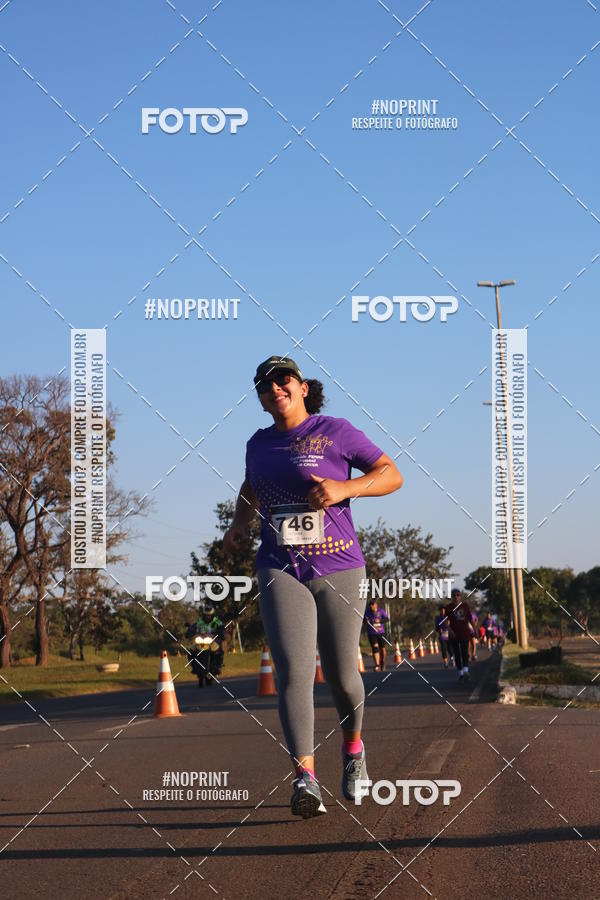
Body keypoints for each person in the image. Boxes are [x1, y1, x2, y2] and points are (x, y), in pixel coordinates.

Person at [223, 355, 403, 819]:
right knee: (294, 671)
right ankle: (305, 778)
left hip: (338, 566)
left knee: (343, 675)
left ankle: (354, 750)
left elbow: (391, 474)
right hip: (279, 566)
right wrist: (240, 524)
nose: (274, 388)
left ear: (302, 387)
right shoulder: (258, 444)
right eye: (264, 385)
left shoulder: (335, 431)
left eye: (283, 379)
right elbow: (251, 488)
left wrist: (346, 489)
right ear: (261, 400)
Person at [447, 588, 475, 681]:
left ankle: (466, 670)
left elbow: (471, 620)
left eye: (458, 595)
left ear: (460, 596)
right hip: (454, 635)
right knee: (457, 654)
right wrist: (450, 630)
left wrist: (475, 631)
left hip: (465, 633)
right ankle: (461, 673)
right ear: (451, 597)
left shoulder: (465, 606)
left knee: (464, 653)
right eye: (454, 595)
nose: (456, 597)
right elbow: (446, 622)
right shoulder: (449, 607)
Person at [364, 599, 389, 670]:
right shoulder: (367, 612)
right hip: (371, 633)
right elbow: (363, 621)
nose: (371, 606)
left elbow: (387, 619)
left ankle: (382, 662)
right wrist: (366, 621)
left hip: (381, 633)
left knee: (383, 649)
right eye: (370, 605)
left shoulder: (381, 611)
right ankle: (377, 665)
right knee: (375, 648)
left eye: (372, 605)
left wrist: (380, 621)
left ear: (376, 605)